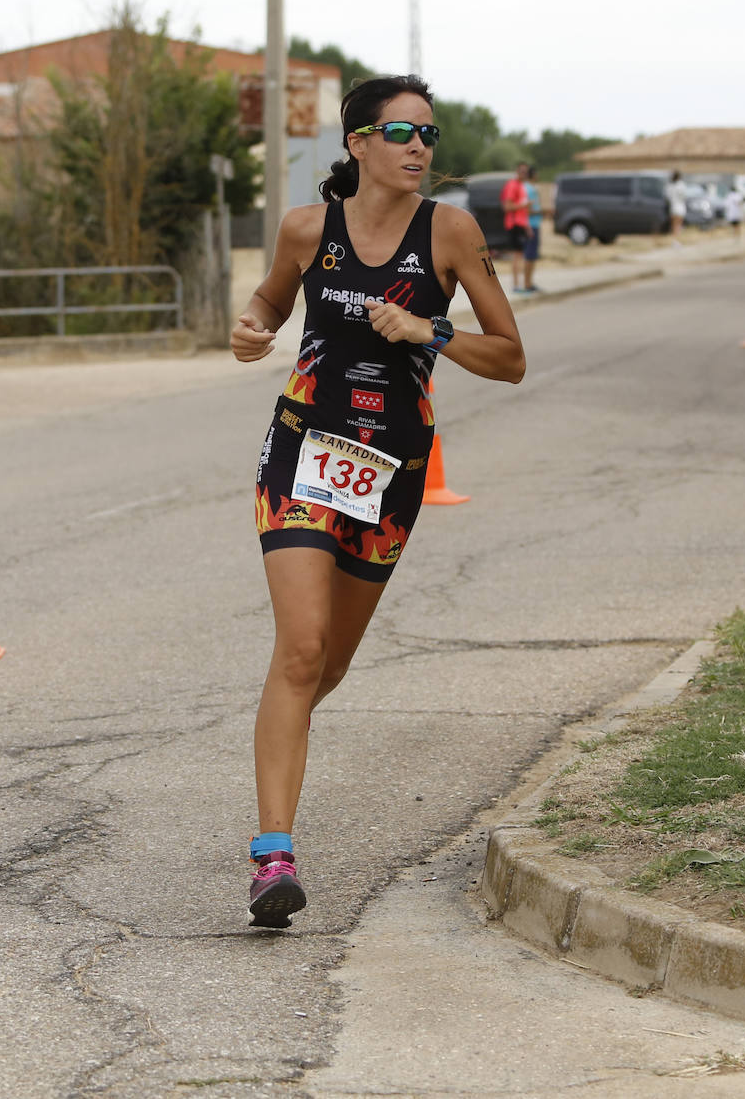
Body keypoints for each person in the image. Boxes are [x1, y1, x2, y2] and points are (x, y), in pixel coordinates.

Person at [230, 75, 525, 928]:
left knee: (329, 667)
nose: (419, 148)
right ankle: (271, 856)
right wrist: (251, 330)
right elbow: (267, 304)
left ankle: (274, 739)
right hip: (303, 451)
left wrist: (429, 331)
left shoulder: (452, 232)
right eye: (401, 131)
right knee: (301, 648)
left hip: (391, 468)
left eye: (429, 135)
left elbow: (509, 357)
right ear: (357, 142)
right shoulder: (304, 229)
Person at [500, 162, 531, 293]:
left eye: (526, 172)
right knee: (517, 256)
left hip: (521, 224)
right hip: (514, 224)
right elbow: (507, 207)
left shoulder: (521, 186)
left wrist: (527, 226)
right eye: (522, 171)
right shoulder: (513, 185)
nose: (524, 174)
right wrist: (524, 205)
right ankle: (516, 285)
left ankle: (521, 285)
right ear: (517, 171)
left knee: (521, 255)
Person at [521, 165, 545, 294]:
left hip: (534, 224)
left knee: (532, 255)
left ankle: (529, 282)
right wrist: (541, 211)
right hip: (531, 225)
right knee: (529, 255)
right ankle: (527, 283)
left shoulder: (530, 188)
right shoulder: (528, 189)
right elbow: (527, 210)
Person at [667, 170, 687, 244]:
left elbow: (668, 197)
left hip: (673, 207)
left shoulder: (670, 185)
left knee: (674, 226)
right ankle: (677, 241)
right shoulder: (681, 185)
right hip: (680, 207)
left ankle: (674, 240)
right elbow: (684, 196)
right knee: (678, 226)